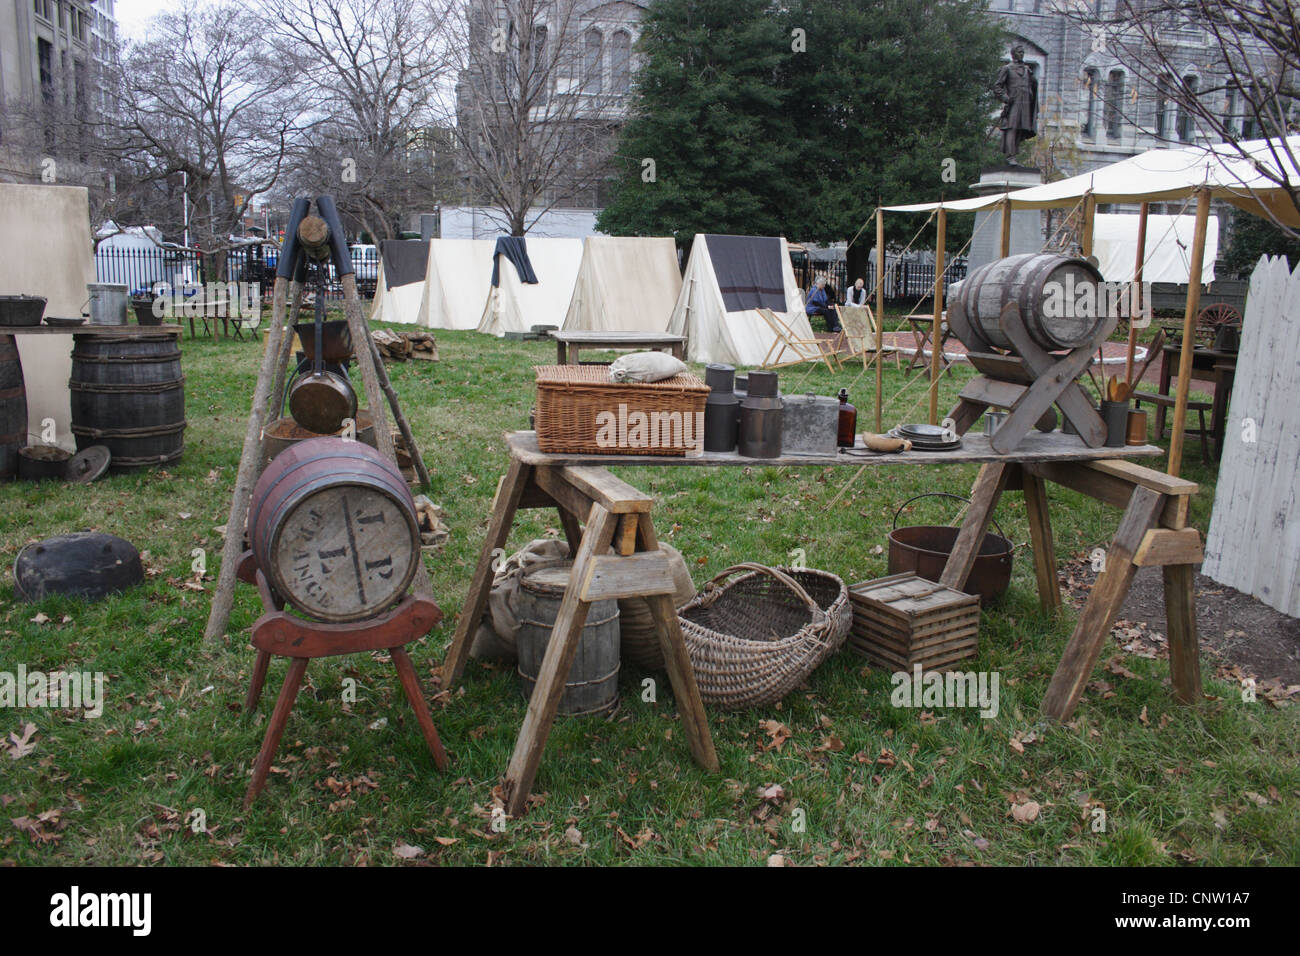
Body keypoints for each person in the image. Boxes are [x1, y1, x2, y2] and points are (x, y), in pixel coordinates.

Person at [994, 44, 1038, 165]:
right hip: (1014, 103)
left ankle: (1015, 155)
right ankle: (1010, 156)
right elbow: (997, 86)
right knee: (1011, 128)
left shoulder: (1027, 70)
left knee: (1021, 129)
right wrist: (1006, 98)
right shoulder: (1007, 68)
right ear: (1013, 54)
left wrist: (1033, 78)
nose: (1021, 54)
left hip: (1025, 103)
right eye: (1019, 52)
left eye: (1023, 52)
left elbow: (1033, 86)